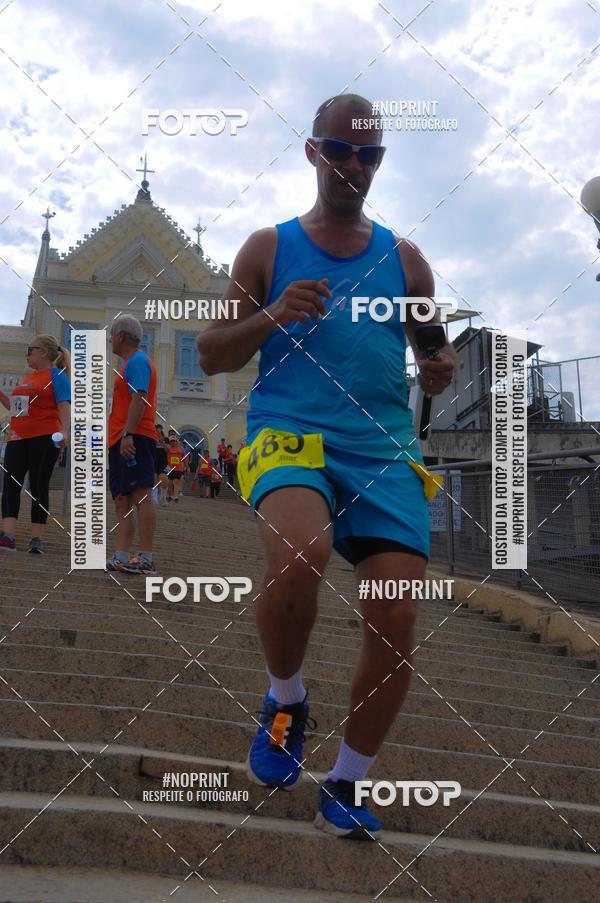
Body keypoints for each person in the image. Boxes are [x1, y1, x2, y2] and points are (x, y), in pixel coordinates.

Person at [198, 94, 457, 840]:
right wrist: (274, 312)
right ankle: (285, 698)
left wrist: (436, 368)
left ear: (379, 163)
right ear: (312, 152)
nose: (352, 166)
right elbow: (216, 352)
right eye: (338, 150)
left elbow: (431, 350)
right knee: (299, 552)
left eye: (367, 155)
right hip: (291, 430)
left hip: (384, 447)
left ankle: (346, 780)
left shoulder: (405, 259)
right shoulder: (267, 248)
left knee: (398, 613)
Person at [0, 335, 70, 554]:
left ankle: (36, 539)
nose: (27, 354)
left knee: (39, 485)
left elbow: (64, 404)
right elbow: (16, 408)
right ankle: (7, 536)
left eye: (30, 350)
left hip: (44, 437)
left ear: (44, 352)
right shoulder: (27, 379)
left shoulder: (56, 375)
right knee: (11, 484)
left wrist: (65, 430)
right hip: (17, 438)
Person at [106, 315, 158, 575]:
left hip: (134, 435)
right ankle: (122, 555)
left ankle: (146, 557)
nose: (109, 339)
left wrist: (128, 433)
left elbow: (140, 398)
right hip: (120, 437)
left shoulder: (137, 360)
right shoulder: (129, 363)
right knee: (122, 498)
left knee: (140, 493)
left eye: (111, 334)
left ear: (121, 336)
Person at [165, 430, 187, 503]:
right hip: (170, 468)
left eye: (174, 441)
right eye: (171, 441)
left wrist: (187, 466)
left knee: (176, 482)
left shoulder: (181, 449)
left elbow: (185, 458)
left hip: (178, 468)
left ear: (176, 441)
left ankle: (176, 496)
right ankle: (169, 495)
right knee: (170, 483)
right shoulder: (168, 448)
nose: (173, 442)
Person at [154, 423, 168, 505]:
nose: (157, 430)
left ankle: (163, 497)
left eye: (159, 429)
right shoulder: (151, 438)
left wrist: (161, 439)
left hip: (163, 461)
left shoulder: (166, 439)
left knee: (164, 480)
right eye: (156, 429)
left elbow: (167, 450)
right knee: (154, 480)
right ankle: (154, 498)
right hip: (153, 461)